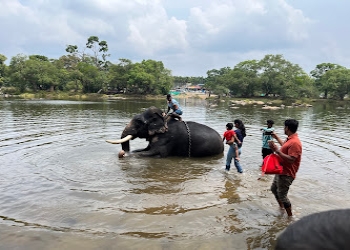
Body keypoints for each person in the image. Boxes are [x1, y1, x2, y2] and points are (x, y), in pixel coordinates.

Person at [268, 119, 302, 217]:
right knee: (274, 189)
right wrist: (276, 137)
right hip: (281, 170)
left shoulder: (295, 142)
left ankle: (290, 217)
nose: (284, 128)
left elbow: (292, 159)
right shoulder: (290, 139)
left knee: (282, 195)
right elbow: (285, 146)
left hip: (287, 173)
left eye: (284, 127)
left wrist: (276, 151)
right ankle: (282, 208)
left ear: (287, 128)